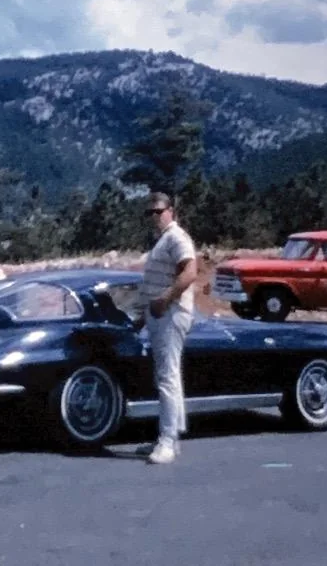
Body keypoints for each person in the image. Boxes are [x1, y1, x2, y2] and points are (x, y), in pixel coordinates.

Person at [136, 192, 198, 465]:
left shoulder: (176, 237)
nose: (154, 217)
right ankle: (172, 433)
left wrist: (165, 298)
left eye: (159, 211)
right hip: (159, 313)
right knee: (169, 374)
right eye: (150, 213)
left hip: (171, 313)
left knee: (167, 377)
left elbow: (190, 271)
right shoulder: (163, 240)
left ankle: (167, 441)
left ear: (171, 210)